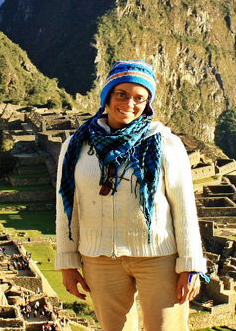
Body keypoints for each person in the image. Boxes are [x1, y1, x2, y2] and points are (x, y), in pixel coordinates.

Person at [54, 60, 208, 330]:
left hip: (158, 256)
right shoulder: (76, 145)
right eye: (121, 94)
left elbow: (184, 207)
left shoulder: (164, 142)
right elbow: (67, 206)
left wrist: (191, 264)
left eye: (139, 98)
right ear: (107, 96)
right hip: (100, 258)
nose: (129, 104)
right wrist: (67, 262)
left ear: (147, 103)